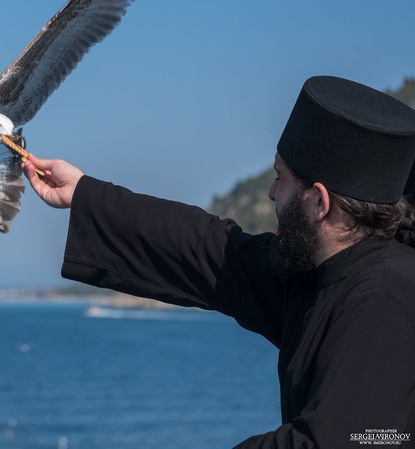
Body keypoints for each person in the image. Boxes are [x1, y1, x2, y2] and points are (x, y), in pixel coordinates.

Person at [22, 76, 415, 447]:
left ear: (318, 202)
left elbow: (350, 440)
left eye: (280, 178)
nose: (270, 193)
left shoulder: (385, 297)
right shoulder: (321, 269)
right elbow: (208, 248)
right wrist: (86, 194)